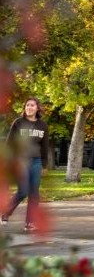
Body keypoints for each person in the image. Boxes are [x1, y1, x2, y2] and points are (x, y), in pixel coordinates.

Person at [1, 97, 49, 231]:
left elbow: (44, 147)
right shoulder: (18, 123)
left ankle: (30, 222)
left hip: (36, 161)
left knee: (34, 192)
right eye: (27, 105)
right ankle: (6, 212)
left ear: (37, 108)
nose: (29, 107)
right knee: (23, 191)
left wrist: (44, 165)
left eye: (32, 105)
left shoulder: (43, 126)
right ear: (24, 108)